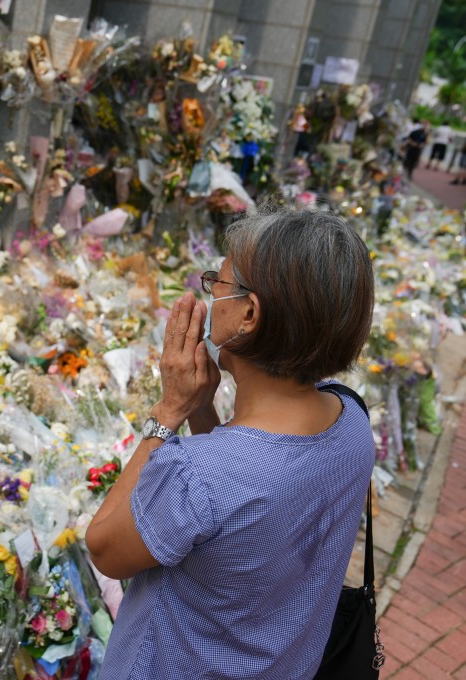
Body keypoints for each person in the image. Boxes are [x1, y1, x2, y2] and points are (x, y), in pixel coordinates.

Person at [87, 209, 376, 678]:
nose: (210, 296)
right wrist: (203, 408)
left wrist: (170, 412)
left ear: (248, 314)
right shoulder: (351, 421)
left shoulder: (198, 474)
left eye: (217, 284)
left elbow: (104, 549)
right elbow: (237, 501)